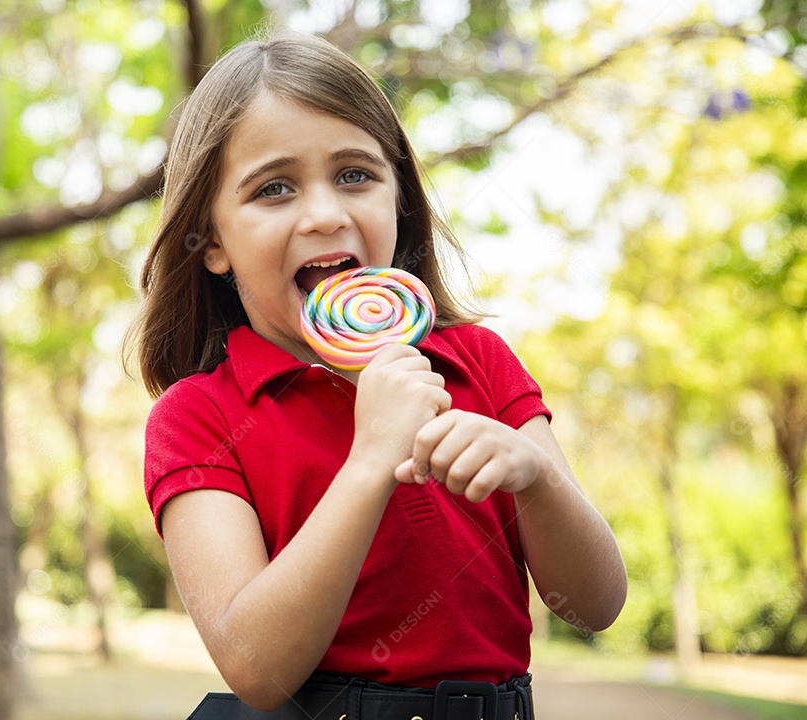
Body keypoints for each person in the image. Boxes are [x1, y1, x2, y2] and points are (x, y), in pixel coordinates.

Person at [127, 30, 627, 720]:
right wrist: (370, 461)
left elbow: (596, 606)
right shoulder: (199, 418)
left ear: (399, 199)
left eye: (355, 174)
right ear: (212, 241)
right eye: (274, 189)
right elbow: (257, 671)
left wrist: (538, 480)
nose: (326, 214)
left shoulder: (477, 361)